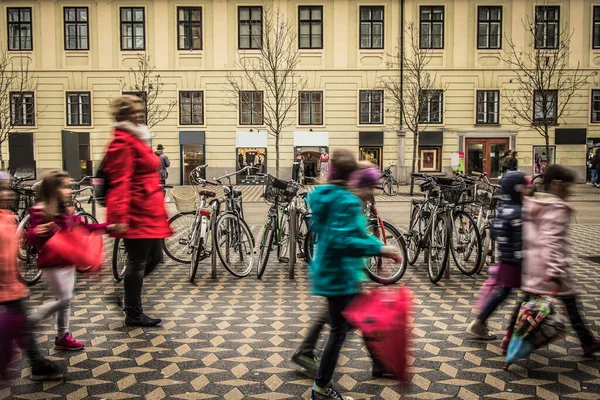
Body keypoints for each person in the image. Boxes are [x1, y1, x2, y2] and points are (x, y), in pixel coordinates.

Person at [307, 149, 402, 400]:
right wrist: (381, 247)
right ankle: (321, 387)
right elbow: (345, 239)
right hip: (341, 275)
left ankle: (379, 364)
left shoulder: (323, 196)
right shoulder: (346, 201)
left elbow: (352, 233)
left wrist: (374, 243)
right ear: (350, 175)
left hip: (333, 272)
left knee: (364, 317)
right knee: (339, 332)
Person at [500, 165, 600, 355]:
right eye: (568, 187)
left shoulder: (534, 204)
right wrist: (555, 269)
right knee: (571, 305)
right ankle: (587, 341)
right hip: (550, 269)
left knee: (527, 301)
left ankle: (509, 337)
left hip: (533, 265)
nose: (569, 192)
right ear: (556, 184)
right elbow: (552, 240)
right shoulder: (555, 208)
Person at [105, 95, 172, 327]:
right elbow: (120, 180)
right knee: (138, 262)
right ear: (123, 115)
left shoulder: (138, 137)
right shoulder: (122, 141)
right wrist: (120, 216)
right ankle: (133, 312)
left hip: (148, 207)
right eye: (133, 112)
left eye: (139, 111)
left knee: (155, 257)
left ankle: (128, 296)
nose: (138, 115)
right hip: (135, 209)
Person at [27, 171, 113, 351]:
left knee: (65, 300)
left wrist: (108, 227)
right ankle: (31, 321)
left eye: (69, 187)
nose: (69, 191)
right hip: (52, 263)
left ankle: (62, 336)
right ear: (53, 189)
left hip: (67, 262)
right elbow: (31, 237)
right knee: (66, 298)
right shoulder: (41, 211)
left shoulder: (67, 212)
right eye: (64, 187)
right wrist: (36, 232)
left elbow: (85, 228)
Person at [0, 172, 64, 381]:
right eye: (2, 189)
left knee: (22, 325)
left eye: (8, 188)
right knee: (21, 324)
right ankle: (37, 363)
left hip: (12, 285)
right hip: (5, 285)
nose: (7, 194)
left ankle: (37, 363)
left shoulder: (7, 217)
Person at [467, 171, 526, 340]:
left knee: (503, 293)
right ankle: (512, 333)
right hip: (516, 262)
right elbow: (520, 239)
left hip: (504, 260)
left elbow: (494, 233)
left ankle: (481, 322)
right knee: (517, 295)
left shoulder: (503, 208)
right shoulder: (518, 211)